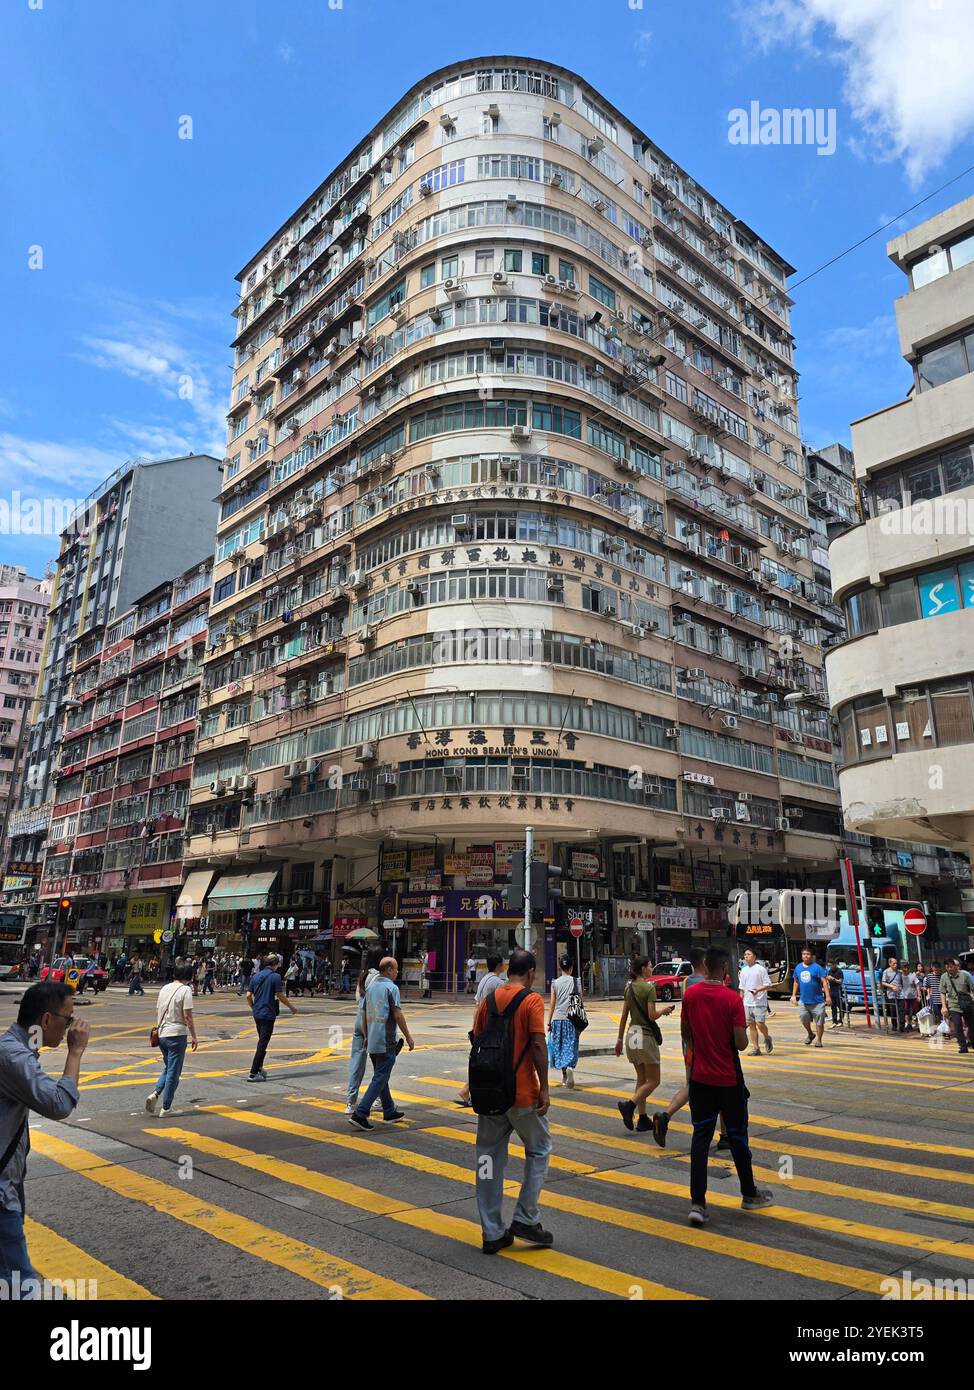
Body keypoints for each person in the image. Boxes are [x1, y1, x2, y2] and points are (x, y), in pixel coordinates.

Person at [0, 983, 90, 1283]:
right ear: (47, 1020)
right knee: (20, 1284)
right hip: (1, 1194)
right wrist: (75, 1052)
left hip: (9, 1183)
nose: (69, 1028)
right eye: (68, 1019)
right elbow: (59, 1104)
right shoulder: (14, 1057)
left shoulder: (15, 1051)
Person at [681, 948, 773, 1227]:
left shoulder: (690, 996)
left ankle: (698, 1203)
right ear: (723, 969)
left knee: (700, 1139)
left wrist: (702, 1052)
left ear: (705, 967)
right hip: (728, 1081)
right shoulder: (732, 1000)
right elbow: (742, 1043)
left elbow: (687, 1034)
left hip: (700, 1079)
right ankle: (748, 1193)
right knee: (737, 1138)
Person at [471, 948, 553, 1254]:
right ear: (530, 972)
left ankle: (492, 1232)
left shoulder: (489, 1001)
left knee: (488, 1160)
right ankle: (526, 1217)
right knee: (540, 1149)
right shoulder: (531, 1000)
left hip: (490, 1093)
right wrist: (544, 1088)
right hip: (521, 1094)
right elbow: (537, 1045)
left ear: (508, 971)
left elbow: (477, 1040)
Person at [649, 947, 707, 1148]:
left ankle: (666, 1115)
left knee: (692, 1084)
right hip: (705, 1041)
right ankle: (723, 1135)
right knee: (719, 1087)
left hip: (688, 1041)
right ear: (705, 962)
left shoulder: (685, 982)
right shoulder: (706, 984)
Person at [349, 957, 414, 1130]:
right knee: (380, 1077)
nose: (398, 972)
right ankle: (360, 1113)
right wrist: (408, 1037)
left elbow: (363, 1011)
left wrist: (366, 1035)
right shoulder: (391, 988)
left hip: (371, 1039)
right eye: (396, 969)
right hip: (386, 1040)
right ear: (389, 969)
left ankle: (389, 1110)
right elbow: (398, 1015)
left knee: (381, 1075)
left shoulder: (370, 986)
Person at [614, 956, 674, 1132]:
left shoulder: (629, 987)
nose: (652, 969)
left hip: (632, 1034)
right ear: (642, 969)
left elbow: (624, 1015)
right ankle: (630, 1105)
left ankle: (642, 1118)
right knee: (654, 1080)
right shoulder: (649, 988)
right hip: (645, 1036)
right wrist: (663, 1010)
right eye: (649, 966)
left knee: (641, 1078)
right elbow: (651, 1015)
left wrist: (618, 1040)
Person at [145, 963, 198, 1117]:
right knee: (174, 1072)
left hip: (162, 1034)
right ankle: (166, 1108)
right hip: (177, 1035)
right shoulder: (185, 990)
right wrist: (194, 1036)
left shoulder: (164, 988)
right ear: (189, 976)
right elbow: (187, 1016)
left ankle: (155, 1093)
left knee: (169, 1067)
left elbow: (158, 1010)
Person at [456, 952, 507, 1107]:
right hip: (491, 1027)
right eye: (503, 963)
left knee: (484, 1060)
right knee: (489, 1061)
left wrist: (475, 1026)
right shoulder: (498, 983)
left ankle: (468, 1090)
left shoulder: (484, 979)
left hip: (482, 1025)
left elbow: (477, 1005)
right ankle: (469, 1090)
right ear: (499, 965)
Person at [246, 953, 298, 1081]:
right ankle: (253, 1073)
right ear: (275, 964)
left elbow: (248, 995)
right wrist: (292, 1007)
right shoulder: (275, 977)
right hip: (268, 1013)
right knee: (263, 1043)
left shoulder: (256, 976)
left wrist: (253, 1007)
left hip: (257, 1013)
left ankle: (259, 1067)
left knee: (262, 1041)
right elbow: (279, 995)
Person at [346, 948, 384, 1117]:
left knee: (356, 1062)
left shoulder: (363, 975)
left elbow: (357, 999)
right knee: (381, 1064)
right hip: (372, 1024)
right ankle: (378, 1100)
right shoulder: (379, 978)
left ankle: (350, 1102)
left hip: (358, 1023)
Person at [547, 955, 581, 1089]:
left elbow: (552, 1004)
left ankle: (565, 1076)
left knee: (560, 1048)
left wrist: (549, 1022)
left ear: (560, 967)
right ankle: (571, 1067)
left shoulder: (555, 983)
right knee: (571, 1046)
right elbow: (580, 1002)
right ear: (571, 967)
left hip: (558, 1019)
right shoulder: (576, 981)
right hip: (572, 1019)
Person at [790, 947, 831, 1047]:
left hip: (817, 1001)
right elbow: (796, 982)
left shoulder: (817, 968)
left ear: (812, 956)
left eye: (808, 954)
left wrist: (828, 997)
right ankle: (810, 1033)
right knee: (804, 1020)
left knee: (819, 1022)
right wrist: (793, 995)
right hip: (803, 1001)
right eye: (804, 954)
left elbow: (824, 982)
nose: (805, 956)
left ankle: (819, 1040)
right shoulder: (798, 967)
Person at [738, 947, 773, 1056]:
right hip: (747, 1003)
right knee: (751, 1026)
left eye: (748, 954)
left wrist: (758, 989)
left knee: (760, 1023)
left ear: (754, 956)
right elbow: (742, 987)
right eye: (745, 955)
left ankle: (767, 1038)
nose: (746, 956)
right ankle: (756, 1048)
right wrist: (741, 1000)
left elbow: (768, 984)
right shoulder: (743, 970)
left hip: (759, 1002)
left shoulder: (760, 969)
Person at [940, 958, 974, 1053]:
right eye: (947, 967)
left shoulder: (965, 975)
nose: (949, 969)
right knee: (957, 1025)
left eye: (951, 966)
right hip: (953, 1006)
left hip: (967, 1004)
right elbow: (942, 992)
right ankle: (963, 1046)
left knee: (972, 1026)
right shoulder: (944, 977)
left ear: (955, 966)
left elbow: (973, 988)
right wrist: (944, 1006)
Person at [881, 956, 904, 1032]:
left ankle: (901, 1026)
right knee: (893, 1010)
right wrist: (891, 986)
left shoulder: (899, 972)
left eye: (896, 963)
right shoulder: (886, 972)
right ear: (890, 964)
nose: (896, 965)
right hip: (891, 994)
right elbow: (883, 982)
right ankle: (894, 1025)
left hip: (900, 993)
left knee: (901, 1010)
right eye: (894, 963)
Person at [901, 964, 920, 1032]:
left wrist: (919, 996)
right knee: (906, 1011)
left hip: (914, 996)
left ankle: (918, 1025)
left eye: (906, 968)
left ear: (908, 969)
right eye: (904, 968)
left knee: (916, 1011)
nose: (905, 970)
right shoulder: (900, 976)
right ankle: (908, 1024)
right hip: (904, 997)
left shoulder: (913, 975)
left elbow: (917, 986)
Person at [827, 960, 845, 1029]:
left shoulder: (839, 971)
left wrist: (833, 979)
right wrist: (828, 980)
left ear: (834, 964)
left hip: (838, 990)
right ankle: (834, 1021)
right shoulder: (829, 971)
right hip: (831, 990)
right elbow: (828, 980)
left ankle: (840, 1021)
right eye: (829, 965)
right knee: (833, 1007)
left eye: (831, 965)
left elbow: (840, 981)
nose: (830, 967)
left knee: (840, 1006)